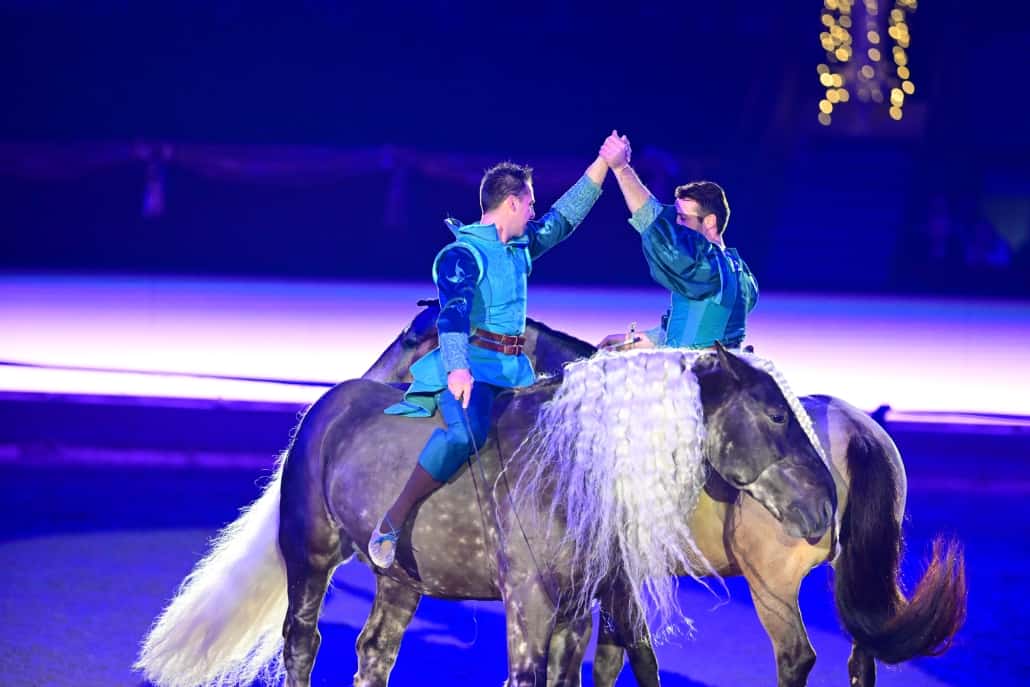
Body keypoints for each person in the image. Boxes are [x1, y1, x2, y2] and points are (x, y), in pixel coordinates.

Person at [369, 155, 609, 568]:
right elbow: (454, 313)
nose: (534, 213)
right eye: (530, 205)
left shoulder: (518, 246)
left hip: (515, 370)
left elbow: (562, 219)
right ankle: (392, 520)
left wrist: (604, 163)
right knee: (466, 436)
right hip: (472, 367)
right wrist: (459, 368)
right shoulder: (462, 254)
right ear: (512, 203)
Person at [596, 131, 758, 351]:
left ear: (710, 222)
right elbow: (697, 326)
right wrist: (629, 341)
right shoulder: (742, 273)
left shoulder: (709, 267)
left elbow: (653, 223)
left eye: (683, 218)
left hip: (695, 376)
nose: (676, 225)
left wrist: (621, 169)